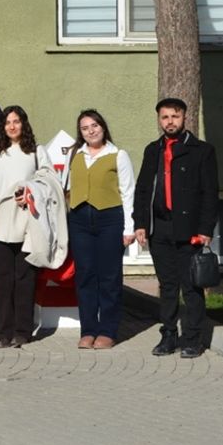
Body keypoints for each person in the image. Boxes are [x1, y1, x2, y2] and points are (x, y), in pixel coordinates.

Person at [134, 98, 219, 358]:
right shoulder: (153, 150)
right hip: (160, 228)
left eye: (175, 116)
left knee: (191, 287)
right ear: (159, 120)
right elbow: (143, 189)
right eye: (165, 117)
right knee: (167, 286)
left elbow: (210, 193)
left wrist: (205, 229)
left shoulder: (202, 151)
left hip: (189, 229)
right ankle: (169, 336)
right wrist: (140, 223)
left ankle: (193, 338)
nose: (170, 122)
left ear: (184, 118)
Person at [0, 106, 51, 349]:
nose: (12, 126)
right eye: (8, 122)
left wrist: (31, 191)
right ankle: (4, 333)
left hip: (30, 217)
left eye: (16, 121)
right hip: (3, 219)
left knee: (25, 278)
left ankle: (23, 331)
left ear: (24, 123)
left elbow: (50, 182)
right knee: (3, 280)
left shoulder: (37, 152)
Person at [63, 110, 135, 350]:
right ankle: (88, 330)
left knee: (109, 276)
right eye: (85, 128)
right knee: (85, 275)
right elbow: (65, 187)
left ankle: (108, 330)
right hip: (79, 220)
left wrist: (129, 228)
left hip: (110, 219)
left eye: (94, 125)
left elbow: (128, 192)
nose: (90, 131)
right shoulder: (75, 154)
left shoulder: (118, 155)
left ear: (103, 127)